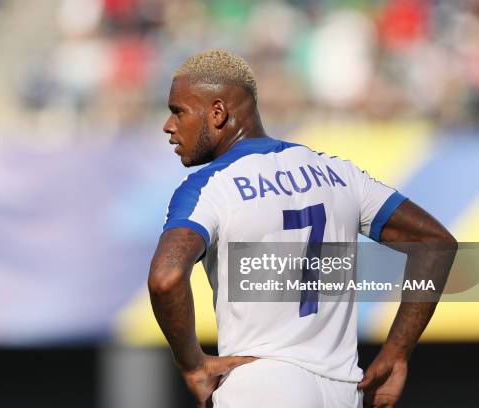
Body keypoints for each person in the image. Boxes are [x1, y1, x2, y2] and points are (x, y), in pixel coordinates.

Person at [148, 49, 457, 408]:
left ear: (218, 113)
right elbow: (435, 243)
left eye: (177, 111)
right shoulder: (339, 174)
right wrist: (398, 351)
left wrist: (192, 365)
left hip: (262, 386)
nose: (169, 126)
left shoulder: (209, 185)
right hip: (343, 392)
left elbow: (165, 278)